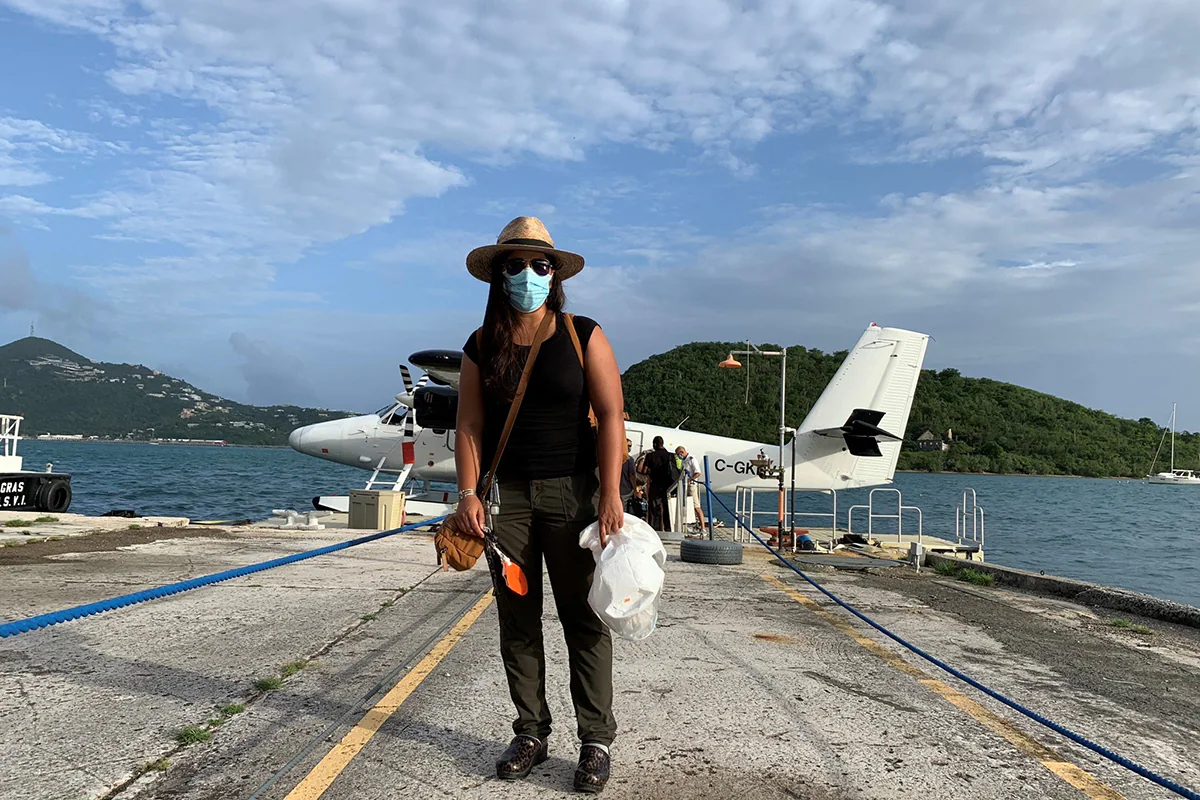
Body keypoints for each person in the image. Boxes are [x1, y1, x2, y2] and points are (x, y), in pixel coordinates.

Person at [453, 216, 624, 794]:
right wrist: (469, 494)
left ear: (555, 275)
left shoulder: (583, 333)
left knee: (584, 617)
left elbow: (612, 416)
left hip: (574, 495)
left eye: (540, 264)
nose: (528, 274)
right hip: (509, 502)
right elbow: (469, 425)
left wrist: (610, 493)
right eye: (515, 264)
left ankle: (595, 740)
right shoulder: (481, 345)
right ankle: (530, 731)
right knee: (518, 618)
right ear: (498, 274)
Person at [638, 435, 674, 531]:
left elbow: (644, 471)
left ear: (654, 444)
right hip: (668, 485)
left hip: (655, 484)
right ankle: (668, 527)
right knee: (667, 506)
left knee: (653, 507)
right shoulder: (670, 456)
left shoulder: (650, 456)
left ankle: (653, 527)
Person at [675, 445, 706, 529]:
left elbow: (698, 473)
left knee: (696, 506)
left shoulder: (691, 459)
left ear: (682, 452)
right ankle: (690, 524)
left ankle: (703, 527)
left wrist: (690, 479)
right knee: (686, 506)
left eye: (678, 454)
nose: (678, 456)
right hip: (685, 485)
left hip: (691, 485)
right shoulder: (684, 461)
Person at [620, 438, 639, 515]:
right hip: (625, 490)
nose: (629, 448)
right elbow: (632, 475)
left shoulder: (614, 458)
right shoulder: (629, 460)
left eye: (630, 446)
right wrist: (635, 489)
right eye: (628, 446)